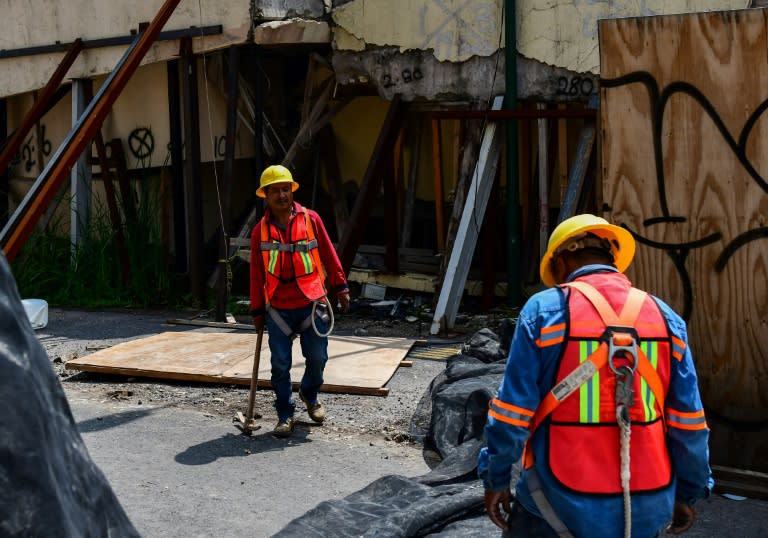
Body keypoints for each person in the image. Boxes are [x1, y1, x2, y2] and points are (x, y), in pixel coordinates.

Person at [477, 214, 713, 537]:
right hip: (645, 507)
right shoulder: (666, 319)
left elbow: (512, 415)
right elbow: (690, 425)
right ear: (613, 259)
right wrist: (688, 491)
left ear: (560, 264)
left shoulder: (544, 313)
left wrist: (496, 478)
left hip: (555, 506)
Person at [249, 164, 350, 438]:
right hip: (278, 308)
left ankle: (310, 393)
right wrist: (257, 310)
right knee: (280, 365)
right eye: (275, 191)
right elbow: (256, 273)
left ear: (291, 191)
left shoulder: (311, 220)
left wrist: (340, 286)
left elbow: (329, 253)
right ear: (266, 196)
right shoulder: (260, 231)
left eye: (286, 189)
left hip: (312, 302)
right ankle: (284, 413)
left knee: (318, 358)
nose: (282, 195)